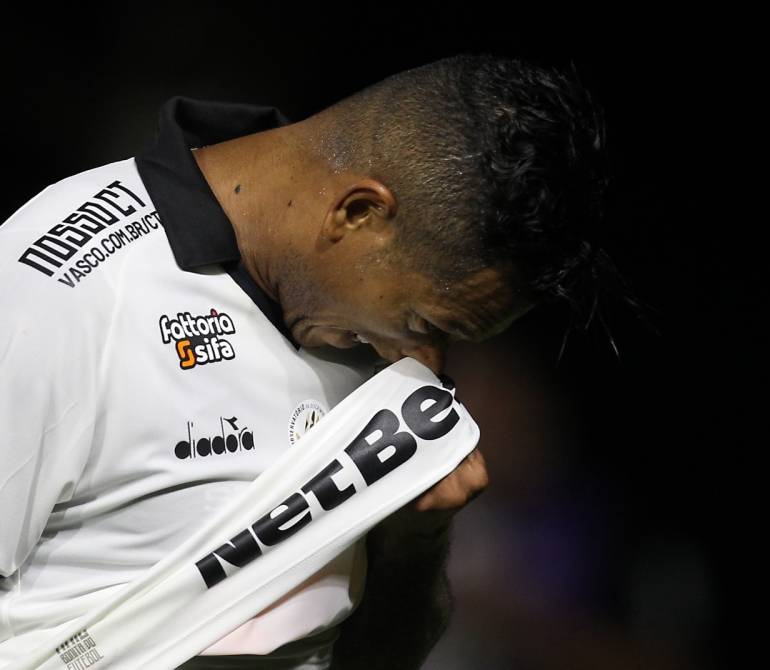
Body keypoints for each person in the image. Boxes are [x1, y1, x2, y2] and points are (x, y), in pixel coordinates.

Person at [0, 52, 612, 669]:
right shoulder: (60, 291)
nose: (424, 365)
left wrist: (415, 545)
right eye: (423, 323)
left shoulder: (373, 340)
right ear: (357, 214)